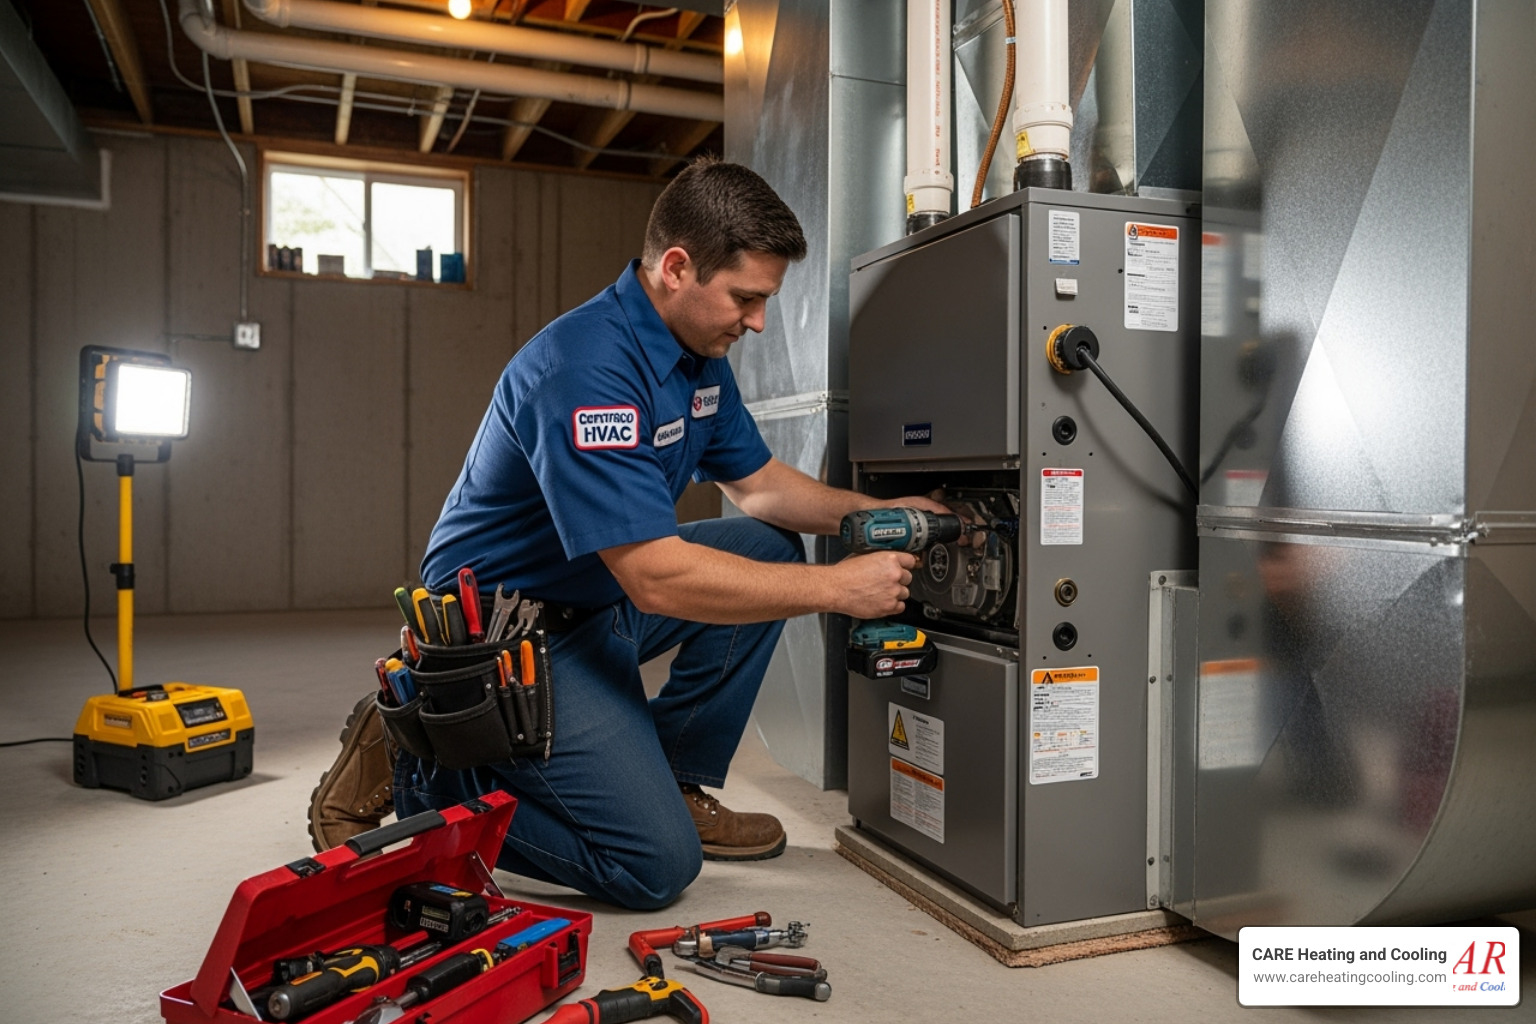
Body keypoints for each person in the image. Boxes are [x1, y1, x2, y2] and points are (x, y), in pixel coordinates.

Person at [309, 158, 950, 910]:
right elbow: (658, 576)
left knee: (770, 546)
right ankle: (433, 764)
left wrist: (869, 515)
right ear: (677, 267)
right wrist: (840, 589)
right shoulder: (585, 371)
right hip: (508, 637)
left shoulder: (696, 358)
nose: (757, 322)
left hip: (597, 600)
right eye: (745, 299)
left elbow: (759, 487)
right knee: (654, 869)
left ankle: (675, 780)